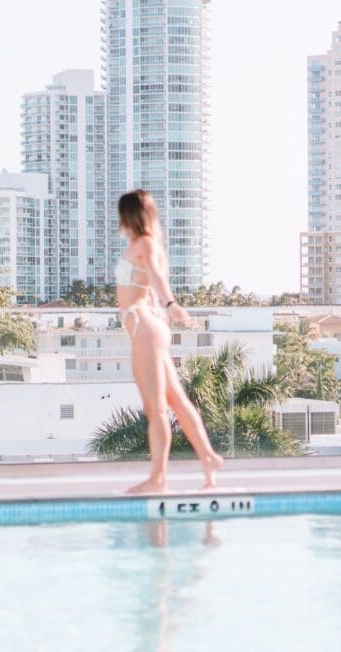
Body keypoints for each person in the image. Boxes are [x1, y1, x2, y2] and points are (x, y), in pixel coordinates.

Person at [116, 189, 223, 493]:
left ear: (128, 215)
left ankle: (158, 479)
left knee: (156, 409)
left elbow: (156, 277)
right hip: (149, 326)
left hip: (146, 328)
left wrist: (171, 304)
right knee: (176, 400)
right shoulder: (142, 243)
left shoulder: (145, 244)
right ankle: (208, 458)